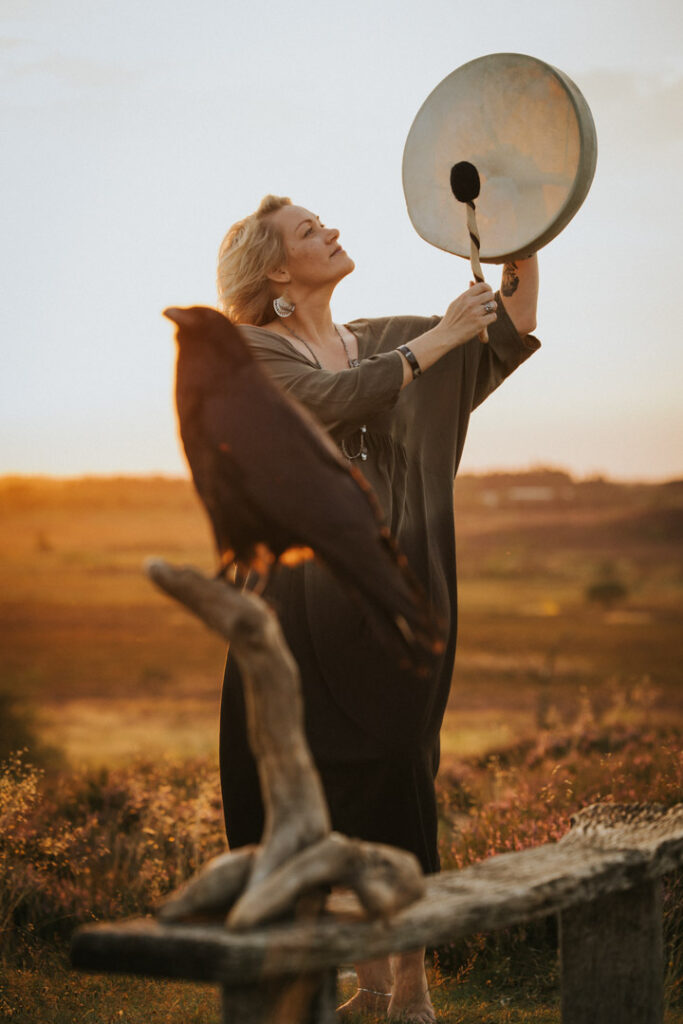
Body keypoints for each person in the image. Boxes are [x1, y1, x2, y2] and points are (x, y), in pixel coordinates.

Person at [216, 195, 540, 1022]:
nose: (330, 229)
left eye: (323, 220)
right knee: (294, 787)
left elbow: (503, 331)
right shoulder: (252, 350)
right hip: (295, 605)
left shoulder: (388, 335)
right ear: (276, 270)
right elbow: (326, 400)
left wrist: (521, 236)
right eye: (307, 229)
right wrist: (437, 340)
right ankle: (337, 985)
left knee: (400, 774)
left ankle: (409, 994)